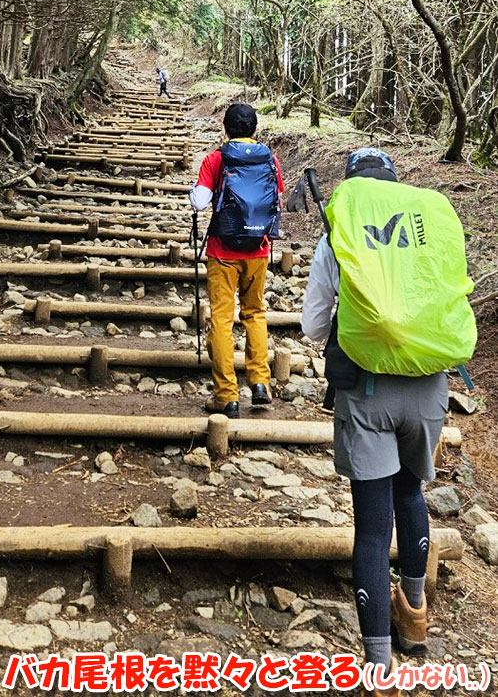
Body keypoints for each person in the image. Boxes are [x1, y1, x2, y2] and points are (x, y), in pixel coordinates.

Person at [301, 147, 476, 692]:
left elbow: (310, 324)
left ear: (355, 190)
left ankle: (378, 665)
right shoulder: (427, 230)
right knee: (412, 495)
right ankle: (416, 614)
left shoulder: (341, 232)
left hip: (368, 388)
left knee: (373, 530)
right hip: (429, 386)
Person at [189, 103, 284, 418]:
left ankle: (226, 396)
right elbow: (276, 200)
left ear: (226, 128)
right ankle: (260, 384)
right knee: (255, 313)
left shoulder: (216, 159)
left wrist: (195, 191)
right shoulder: (269, 159)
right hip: (258, 249)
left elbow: (201, 203)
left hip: (222, 251)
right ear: (254, 129)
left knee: (222, 319)